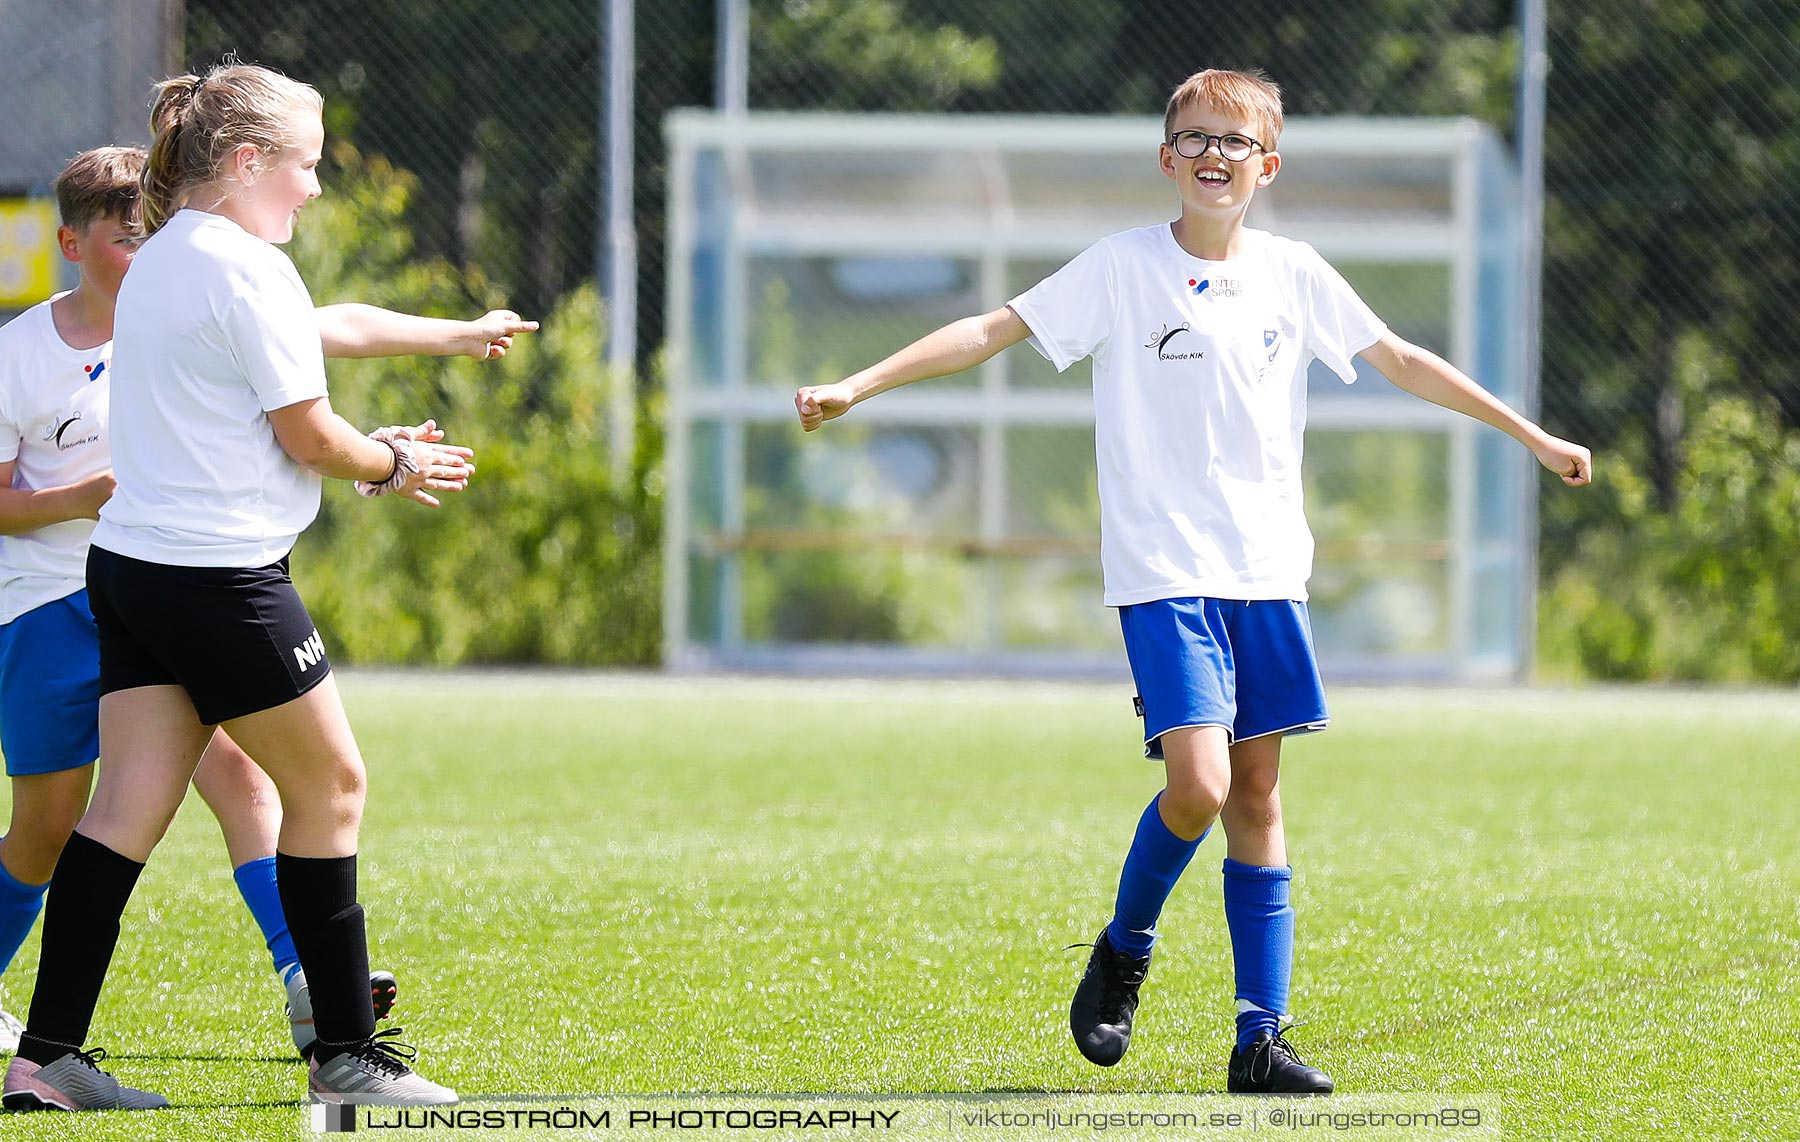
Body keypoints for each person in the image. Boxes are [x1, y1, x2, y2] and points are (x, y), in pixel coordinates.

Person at [795, 68, 1592, 1094]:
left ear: (1268, 164)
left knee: (1256, 792)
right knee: (1200, 785)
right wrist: (860, 383)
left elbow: (1398, 357)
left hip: (1268, 573)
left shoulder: (1295, 272)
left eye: (1236, 139)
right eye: (1195, 136)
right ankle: (1125, 945)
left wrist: (1529, 434)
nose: (1214, 153)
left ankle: (1262, 1037)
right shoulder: (1122, 269)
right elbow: (991, 329)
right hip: (1163, 571)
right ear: (1167, 156)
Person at [1, 62, 515, 1112]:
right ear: (245, 164)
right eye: (306, 167)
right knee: (331, 785)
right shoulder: (244, 268)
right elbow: (310, 435)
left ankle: (46, 1056)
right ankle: (349, 1054)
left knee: (123, 810)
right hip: (220, 580)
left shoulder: (163, 261)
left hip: (134, 570)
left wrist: (366, 448)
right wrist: (392, 462)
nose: (314, 188)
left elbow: (237, 423)